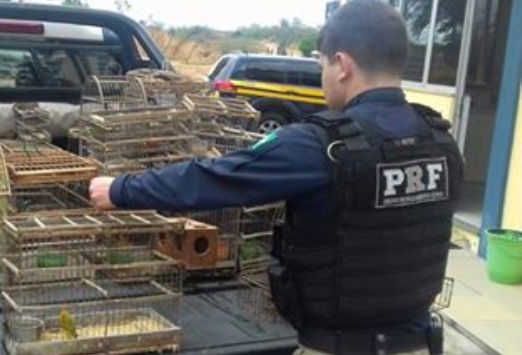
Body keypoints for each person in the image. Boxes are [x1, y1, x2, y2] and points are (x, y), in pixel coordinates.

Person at [88, 1, 464, 354]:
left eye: (321, 66)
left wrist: (121, 189)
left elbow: (218, 177)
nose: (323, 78)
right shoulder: (440, 139)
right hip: (417, 344)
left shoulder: (322, 145)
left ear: (342, 65)